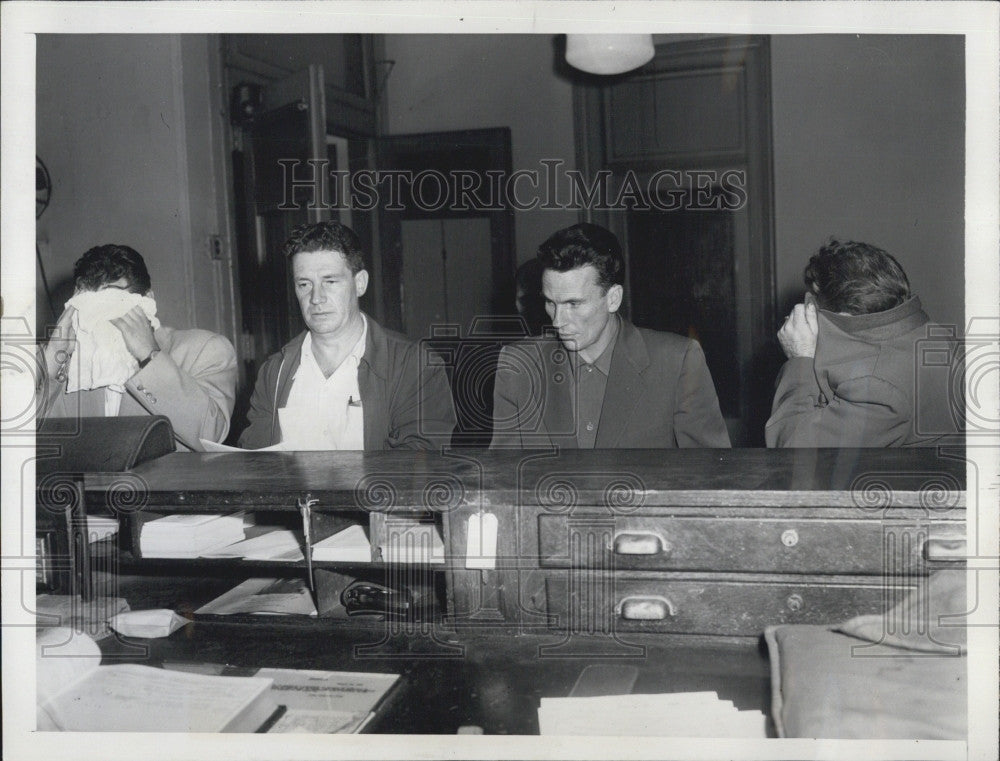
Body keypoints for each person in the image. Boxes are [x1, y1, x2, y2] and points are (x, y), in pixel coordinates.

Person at [491, 223, 731, 448]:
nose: (557, 320)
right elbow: (505, 480)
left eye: (573, 303)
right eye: (551, 303)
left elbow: (711, 476)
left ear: (613, 298)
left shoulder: (678, 362)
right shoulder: (518, 366)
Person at [238, 221, 456, 450]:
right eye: (304, 284)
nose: (316, 298)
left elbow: (422, 465)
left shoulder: (413, 365)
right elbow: (256, 463)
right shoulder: (274, 372)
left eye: (330, 281)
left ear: (360, 283)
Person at [38, 244, 237, 450]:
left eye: (112, 306)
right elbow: (23, 442)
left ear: (147, 301)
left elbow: (211, 437)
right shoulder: (71, 364)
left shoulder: (203, 350)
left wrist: (150, 356)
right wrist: (52, 358)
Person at [766, 239, 962, 447]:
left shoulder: (878, 389)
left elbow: (790, 450)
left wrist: (800, 359)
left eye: (813, 298)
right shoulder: (937, 337)